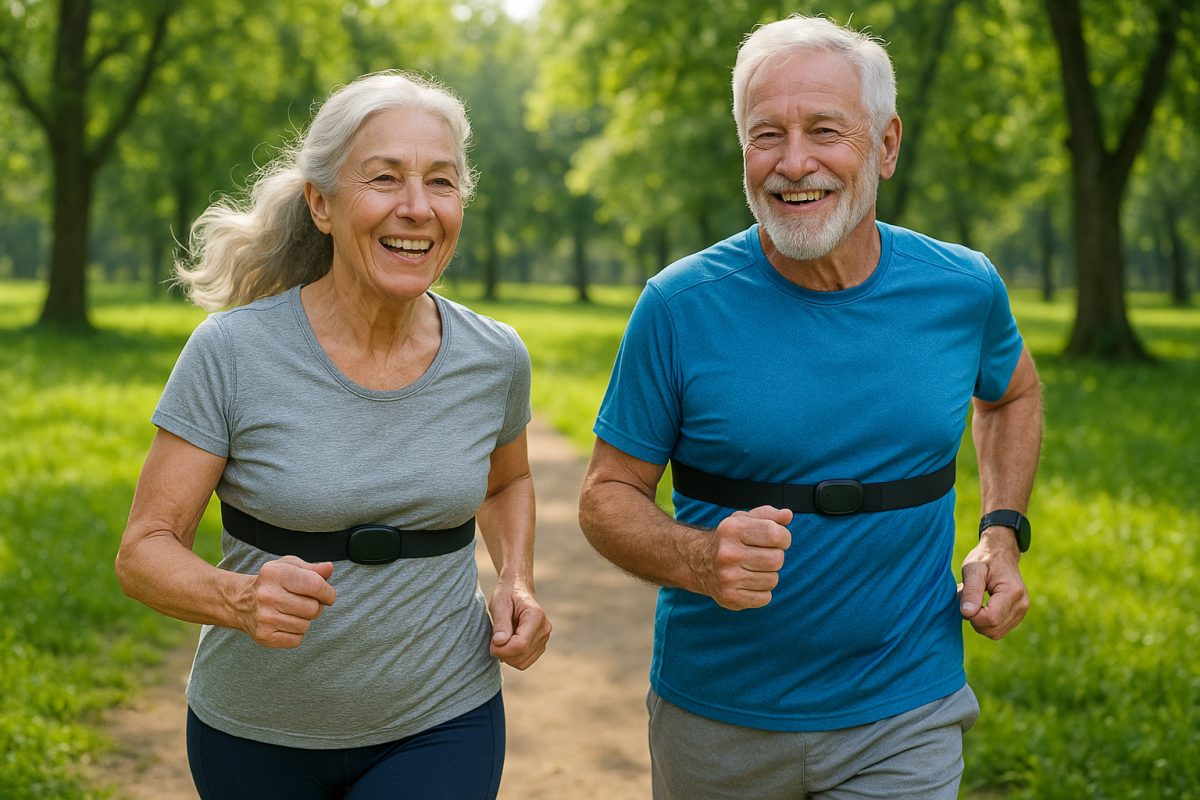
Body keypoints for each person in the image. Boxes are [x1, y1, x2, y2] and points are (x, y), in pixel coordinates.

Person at [578, 15, 1042, 800]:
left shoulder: (963, 289)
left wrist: (1002, 532)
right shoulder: (679, 305)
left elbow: (1013, 392)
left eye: (826, 130)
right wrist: (699, 558)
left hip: (906, 708)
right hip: (718, 721)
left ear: (886, 146)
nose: (795, 164)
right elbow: (604, 498)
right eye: (767, 136)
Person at [115, 70, 551, 799]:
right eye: (384, 179)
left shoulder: (494, 355)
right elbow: (142, 553)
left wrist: (517, 580)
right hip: (253, 732)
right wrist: (240, 599)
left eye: (441, 183)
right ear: (321, 202)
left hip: (444, 716)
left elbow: (506, 481)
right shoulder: (231, 353)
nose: (416, 208)